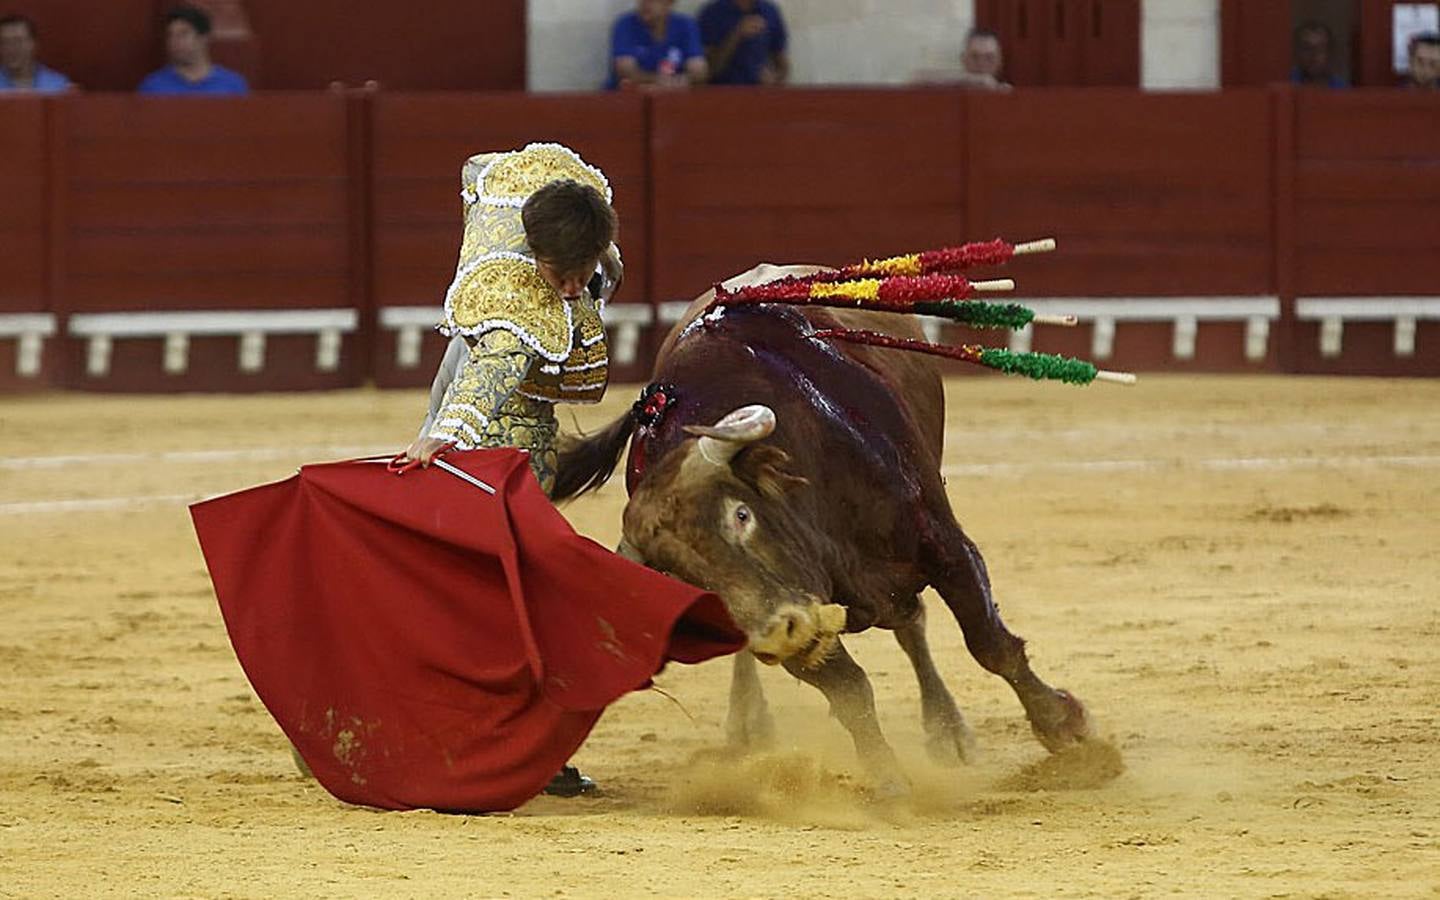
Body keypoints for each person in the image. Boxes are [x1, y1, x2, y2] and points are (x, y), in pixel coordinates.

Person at [404, 144, 624, 797]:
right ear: (535, 255)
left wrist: (590, 275)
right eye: (564, 271)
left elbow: (480, 167)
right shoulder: (516, 297)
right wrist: (441, 438)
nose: (573, 284)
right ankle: (519, 745)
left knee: (482, 586)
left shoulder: (572, 231)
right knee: (514, 595)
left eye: (583, 269)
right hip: (493, 422)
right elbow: (491, 375)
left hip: (501, 407)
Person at [138, 5, 248, 95]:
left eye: (183, 34)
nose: (174, 41)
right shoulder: (152, 86)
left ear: (203, 38)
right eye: (170, 35)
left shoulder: (232, 84)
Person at [606, 0, 707, 90]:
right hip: (627, 99)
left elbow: (699, 70)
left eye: (652, 0)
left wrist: (685, 80)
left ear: (669, 3)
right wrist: (659, 81)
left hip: (673, 98)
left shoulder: (686, 25)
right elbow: (625, 71)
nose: (644, 3)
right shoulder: (625, 24)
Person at [697, 0, 789, 86]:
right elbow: (708, 70)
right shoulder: (712, 13)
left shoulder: (770, 11)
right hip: (722, 93)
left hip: (761, 93)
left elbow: (782, 63)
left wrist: (775, 78)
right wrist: (736, 35)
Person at [0, 14, 72, 92]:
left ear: (34, 44)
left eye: (18, 41)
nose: (11, 49)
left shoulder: (59, 87)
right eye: (5, 42)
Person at [1291, 22, 1346, 89]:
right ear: (1297, 52)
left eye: (1320, 49)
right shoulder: (1287, 81)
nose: (1314, 55)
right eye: (1307, 48)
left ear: (1329, 53)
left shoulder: (1341, 88)